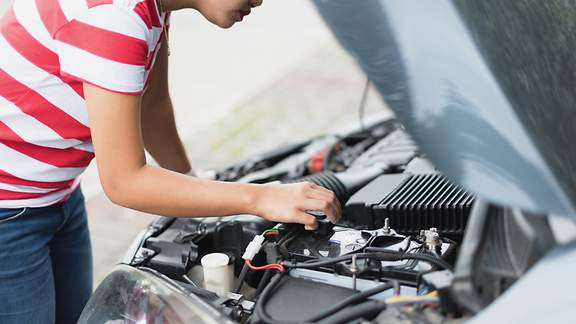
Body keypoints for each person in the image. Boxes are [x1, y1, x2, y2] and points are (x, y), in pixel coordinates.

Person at [0, 0, 341, 323]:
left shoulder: (152, 7)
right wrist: (260, 197)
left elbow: (152, 108)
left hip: (55, 192)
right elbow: (124, 182)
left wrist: (195, 184)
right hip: (9, 212)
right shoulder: (114, 18)